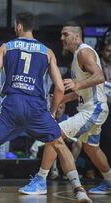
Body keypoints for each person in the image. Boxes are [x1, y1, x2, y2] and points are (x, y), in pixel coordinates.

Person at [0, 13, 91, 202]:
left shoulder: (6, 47)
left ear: (18, 26)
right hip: (36, 107)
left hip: (12, 105)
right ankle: (79, 189)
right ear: (32, 27)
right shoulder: (47, 51)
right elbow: (59, 88)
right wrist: (51, 112)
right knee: (59, 144)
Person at [20, 22, 111, 196]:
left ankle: (40, 180)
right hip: (91, 107)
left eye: (65, 34)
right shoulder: (77, 56)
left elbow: (100, 76)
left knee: (54, 133)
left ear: (76, 36)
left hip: (94, 108)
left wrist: (77, 83)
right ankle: (109, 181)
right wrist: (64, 99)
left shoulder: (84, 52)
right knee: (91, 148)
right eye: (61, 34)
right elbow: (83, 90)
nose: (62, 38)